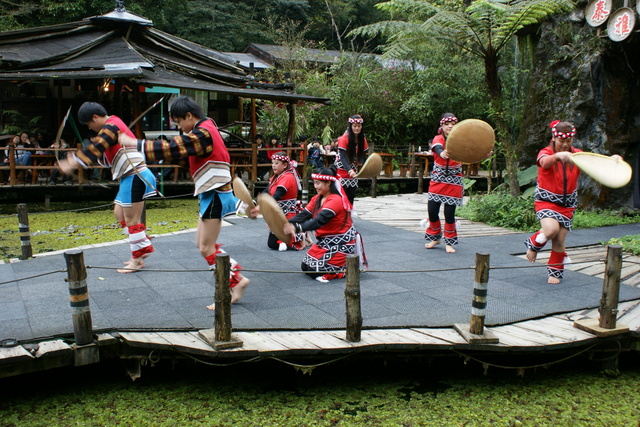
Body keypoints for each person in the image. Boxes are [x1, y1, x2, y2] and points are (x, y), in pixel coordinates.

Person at [119, 95, 250, 305]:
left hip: (214, 195)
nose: (180, 128)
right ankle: (235, 281)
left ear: (189, 116)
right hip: (211, 194)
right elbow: (178, 151)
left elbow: (174, 147)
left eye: (180, 122)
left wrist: (136, 144)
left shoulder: (203, 133)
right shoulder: (207, 129)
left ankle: (235, 282)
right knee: (202, 245)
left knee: (206, 247)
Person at [58, 102, 156, 273]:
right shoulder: (111, 127)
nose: (91, 128)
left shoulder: (112, 126)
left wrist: (73, 161)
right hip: (129, 177)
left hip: (135, 175)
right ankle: (142, 245)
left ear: (95, 117)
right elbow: (103, 152)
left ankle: (138, 258)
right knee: (119, 213)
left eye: (89, 124)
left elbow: (98, 147)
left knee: (132, 220)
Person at [524, 120, 623, 284]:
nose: (564, 145)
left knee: (560, 239)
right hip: (546, 201)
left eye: (568, 141)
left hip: (567, 204)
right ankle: (533, 244)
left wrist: (612, 159)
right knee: (550, 230)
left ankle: (555, 272)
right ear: (554, 138)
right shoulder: (546, 152)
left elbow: (596, 162)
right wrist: (557, 156)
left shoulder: (577, 154)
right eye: (561, 141)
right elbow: (543, 162)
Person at [283, 165, 366, 283]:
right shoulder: (317, 198)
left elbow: (319, 221)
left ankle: (343, 269)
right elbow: (304, 215)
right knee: (305, 267)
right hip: (326, 242)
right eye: (315, 183)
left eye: (318, 183)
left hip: (342, 243)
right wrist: (287, 223)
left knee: (314, 270)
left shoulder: (335, 200)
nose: (315, 186)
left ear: (328, 183)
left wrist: (296, 228)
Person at [423, 113, 462, 254]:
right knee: (432, 211)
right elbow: (437, 147)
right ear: (442, 126)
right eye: (447, 124)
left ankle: (449, 242)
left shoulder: (461, 139)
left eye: (453, 124)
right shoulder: (438, 138)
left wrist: (483, 153)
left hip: (454, 180)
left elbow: (472, 151)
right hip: (438, 178)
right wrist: (441, 153)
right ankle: (435, 237)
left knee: (449, 213)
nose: (450, 127)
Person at [250, 152, 306, 251]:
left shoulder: (287, 177)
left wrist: (261, 207)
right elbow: (266, 191)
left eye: (276, 163)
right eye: (272, 163)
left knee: (273, 244)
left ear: (284, 165)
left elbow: (277, 195)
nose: (273, 165)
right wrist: (256, 203)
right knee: (272, 244)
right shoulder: (276, 177)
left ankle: (299, 237)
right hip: (279, 213)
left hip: (287, 214)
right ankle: (297, 237)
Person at [334, 115, 369, 205]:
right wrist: (349, 170)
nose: (356, 128)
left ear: (361, 127)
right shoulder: (344, 138)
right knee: (340, 197)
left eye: (359, 126)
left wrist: (366, 169)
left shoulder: (363, 139)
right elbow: (342, 157)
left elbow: (363, 157)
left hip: (353, 170)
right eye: (354, 126)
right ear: (351, 126)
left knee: (351, 197)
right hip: (342, 169)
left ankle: (348, 216)